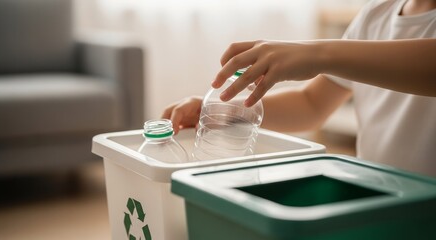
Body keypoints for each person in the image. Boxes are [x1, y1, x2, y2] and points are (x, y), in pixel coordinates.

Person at [162, 0, 436, 177]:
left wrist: (319, 55)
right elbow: (312, 104)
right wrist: (225, 113)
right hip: (380, 197)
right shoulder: (375, 15)